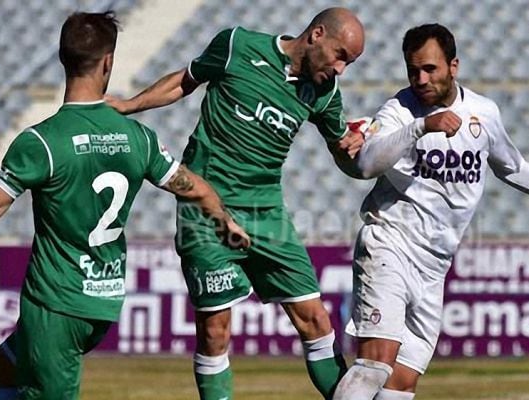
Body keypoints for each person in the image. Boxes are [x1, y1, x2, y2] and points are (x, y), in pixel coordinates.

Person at [0, 12, 249, 400]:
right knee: (5, 364)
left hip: (56, 304)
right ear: (108, 62)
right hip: (104, 299)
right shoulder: (138, 137)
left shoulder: (42, 142)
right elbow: (194, 188)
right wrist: (225, 222)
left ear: (63, 58)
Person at [332, 23, 529, 400]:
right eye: (413, 70)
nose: (420, 79)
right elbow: (367, 164)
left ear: (454, 66)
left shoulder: (484, 112)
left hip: (435, 265)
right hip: (390, 244)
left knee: (402, 381)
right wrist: (421, 126)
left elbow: (511, 166)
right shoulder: (399, 111)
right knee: (376, 364)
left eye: (430, 69)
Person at [106, 7, 365, 400]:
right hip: (205, 207)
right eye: (341, 55)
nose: (341, 69)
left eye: (350, 62)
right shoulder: (237, 45)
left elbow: (343, 155)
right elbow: (184, 81)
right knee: (215, 330)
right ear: (316, 35)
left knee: (316, 321)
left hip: (267, 211)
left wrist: (353, 148)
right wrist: (129, 105)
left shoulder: (324, 92)